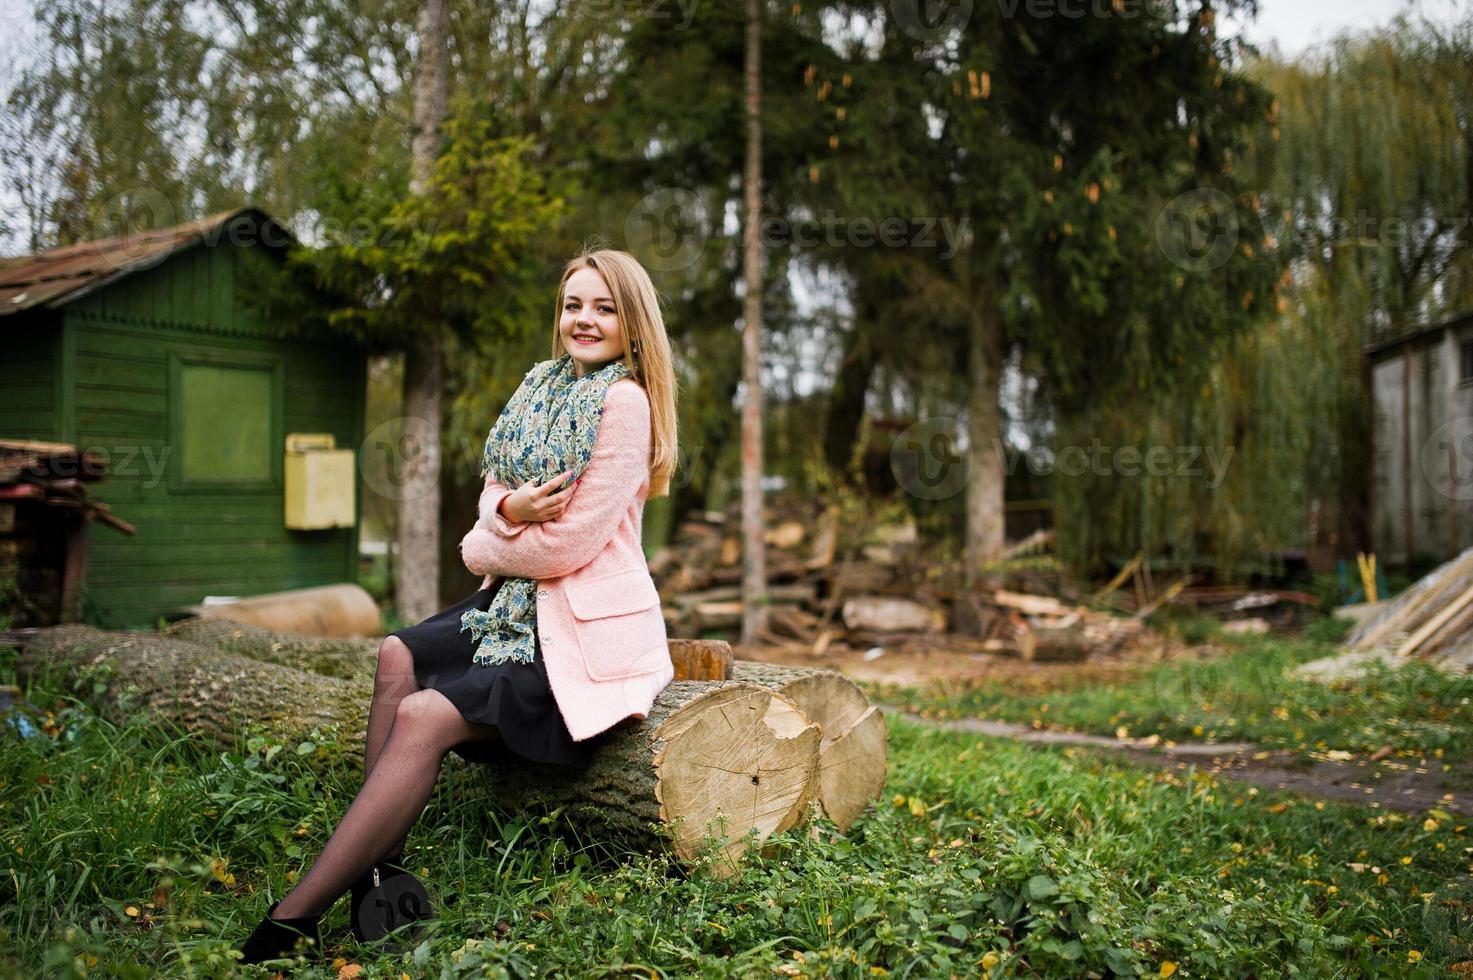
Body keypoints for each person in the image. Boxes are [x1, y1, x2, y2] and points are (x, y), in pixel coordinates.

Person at [237, 248, 680, 964]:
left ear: (633, 325)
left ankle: (293, 917)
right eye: (574, 305)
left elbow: (566, 548)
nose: (585, 320)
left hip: (573, 630)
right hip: (513, 605)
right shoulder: (540, 386)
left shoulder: (624, 404)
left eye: (604, 307)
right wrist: (507, 505)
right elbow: (491, 485)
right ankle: (376, 868)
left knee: (422, 714)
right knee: (395, 653)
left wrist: (484, 543)